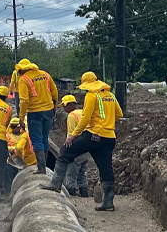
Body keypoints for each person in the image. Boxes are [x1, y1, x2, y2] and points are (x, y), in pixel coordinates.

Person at [41, 72, 122, 212]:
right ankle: (108, 201)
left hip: (93, 135)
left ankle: (55, 184)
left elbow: (85, 118)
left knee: (65, 152)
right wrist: (107, 124)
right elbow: (119, 114)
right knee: (106, 169)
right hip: (109, 137)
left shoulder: (91, 95)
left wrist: (73, 135)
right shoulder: (110, 95)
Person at [14, 59, 59, 174]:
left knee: (37, 140)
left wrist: (21, 117)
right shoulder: (45, 75)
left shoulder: (24, 79)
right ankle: (44, 167)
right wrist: (55, 107)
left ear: (21, 70)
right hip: (48, 110)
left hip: (35, 113)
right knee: (45, 138)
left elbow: (23, 100)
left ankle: (41, 168)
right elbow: (54, 92)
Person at [61, 94, 90, 197]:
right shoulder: (84, 112)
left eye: (64, 106)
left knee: (71, 174)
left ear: (70, 105)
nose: (64, 109)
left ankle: (72, 196)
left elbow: (71, 133)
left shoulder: (72, 115)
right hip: (87, 147)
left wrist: (67, 149)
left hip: (76, 148)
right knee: (82, 174)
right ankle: (84, 195)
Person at [5, 117, 36, 191]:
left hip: (24, 159)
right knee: (9, 172)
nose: (14, 128)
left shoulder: (24, 135)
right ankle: (8, 191)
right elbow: (4, 147)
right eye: (12, 126)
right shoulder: (7, 136)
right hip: (12, 159)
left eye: (16, 126)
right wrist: (13, 149)